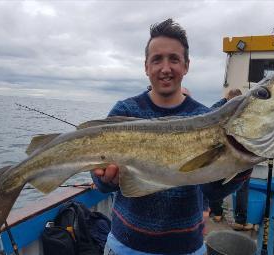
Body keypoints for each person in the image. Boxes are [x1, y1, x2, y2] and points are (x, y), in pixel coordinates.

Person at [92, 18, 235, 255]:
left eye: (174, 59)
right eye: (157, 59)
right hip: (126, 246)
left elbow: (214, 190)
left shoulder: (205, 116)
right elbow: (99, 180)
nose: (165, 68)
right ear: (146, 66)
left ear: (186, 65)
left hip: (187, 247)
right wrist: (105, 180)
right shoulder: (125, 111)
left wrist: (243, 159)